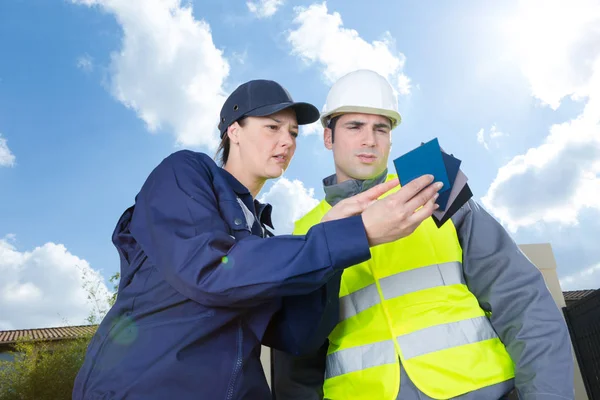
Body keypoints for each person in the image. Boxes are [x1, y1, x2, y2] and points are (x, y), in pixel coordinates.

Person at [72, 78, 443, 399]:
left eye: (294, 133)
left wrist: (335, 244)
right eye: (272, 127)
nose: (287, 141)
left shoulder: (263, 234)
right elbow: (211, 270)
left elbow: (296, 336)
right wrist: (351, 234)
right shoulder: (185, 174)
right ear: (234, 130)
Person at [271, 69, 575, 400]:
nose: (369, 140)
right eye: (354, 126)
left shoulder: (432, 181)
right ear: (329, 137)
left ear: (390, 138)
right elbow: (297, 364)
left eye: (381, 128)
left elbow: (522, 300)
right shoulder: (306, 230)